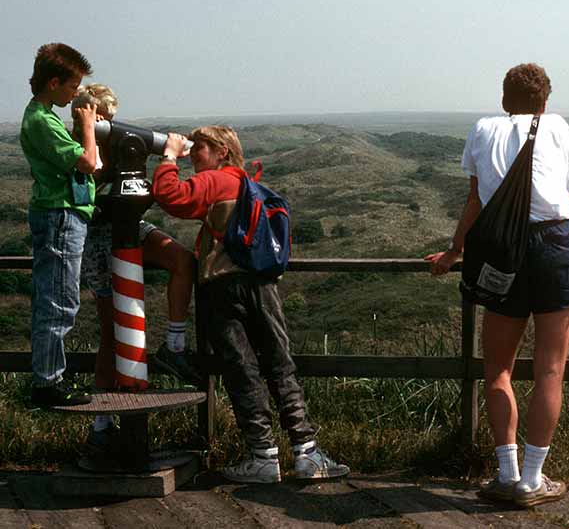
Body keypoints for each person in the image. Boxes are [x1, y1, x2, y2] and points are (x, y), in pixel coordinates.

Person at [425, 63, 569, 507]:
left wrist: (452, 253)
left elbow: (477, 200)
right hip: (555, 246)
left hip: (500, 253)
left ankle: (506, 474)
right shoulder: (557, 128)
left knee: (497, 369)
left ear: (504, 99)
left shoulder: (482, 129)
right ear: (544, 102)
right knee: (550, 370)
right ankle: (533, 481)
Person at [152, 125, 348, 483]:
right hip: (263, 285)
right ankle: (307, 453)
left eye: (201, 147)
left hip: (223, 288)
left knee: (242, 371)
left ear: (223, 152)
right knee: (279, 364)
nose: (194, 153)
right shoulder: (246, 184)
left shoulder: (216, 181)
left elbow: (169, 195)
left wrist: (168, 155)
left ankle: (263, 456)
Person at [71, 84, 200, 453]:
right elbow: (87, 181)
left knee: (182, 260)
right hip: (99, 237)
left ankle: (174, 344)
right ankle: (101, 424)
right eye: (100, 119)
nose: (107, 125)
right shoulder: (79, 147)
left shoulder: (117, 143)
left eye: (110, 119)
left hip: (130, 226)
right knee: (112, 334)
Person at [20, 43, 98, 407]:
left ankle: (49, 378)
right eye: (72, 86)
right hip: (60, 216)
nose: (75, 93)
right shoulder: (39, 120)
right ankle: (48, 383)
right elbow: (86, 163)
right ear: (53, 83)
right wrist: (86, 126)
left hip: (63, 214)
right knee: (58, 301)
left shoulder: (45, 115)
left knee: (57, 299)